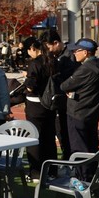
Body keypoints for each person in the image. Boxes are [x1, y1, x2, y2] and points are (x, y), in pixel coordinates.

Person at [59, 38, 99, 182]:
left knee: (79, 149)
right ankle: (97, 180)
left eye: (76, 50)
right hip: (92, 113)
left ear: (85, 52)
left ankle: (84, 180)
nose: (74, 53)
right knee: (92, 147)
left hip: (78, 113)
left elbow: (64, 85)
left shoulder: (85, 69)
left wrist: (71, 90)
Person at [22, 37, 57, 180]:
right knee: (49, 138)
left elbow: (31, 86)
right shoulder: (52, 61)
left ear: (32, 48)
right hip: (50, 103)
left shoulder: (35, 63)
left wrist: (26, 78)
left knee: (34, 138)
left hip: (35, 104)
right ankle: (52, 170)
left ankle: (36, 172)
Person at [41, 29, 78, 162]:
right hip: (59, 100)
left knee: (66, 132)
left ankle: (69, 158)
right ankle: (66, 156)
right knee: (60, 131)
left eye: (49, 47)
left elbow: (68, 79)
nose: (49, 51)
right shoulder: (58, 55)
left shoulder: (69, 56)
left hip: (66, 101)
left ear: (56, 43)